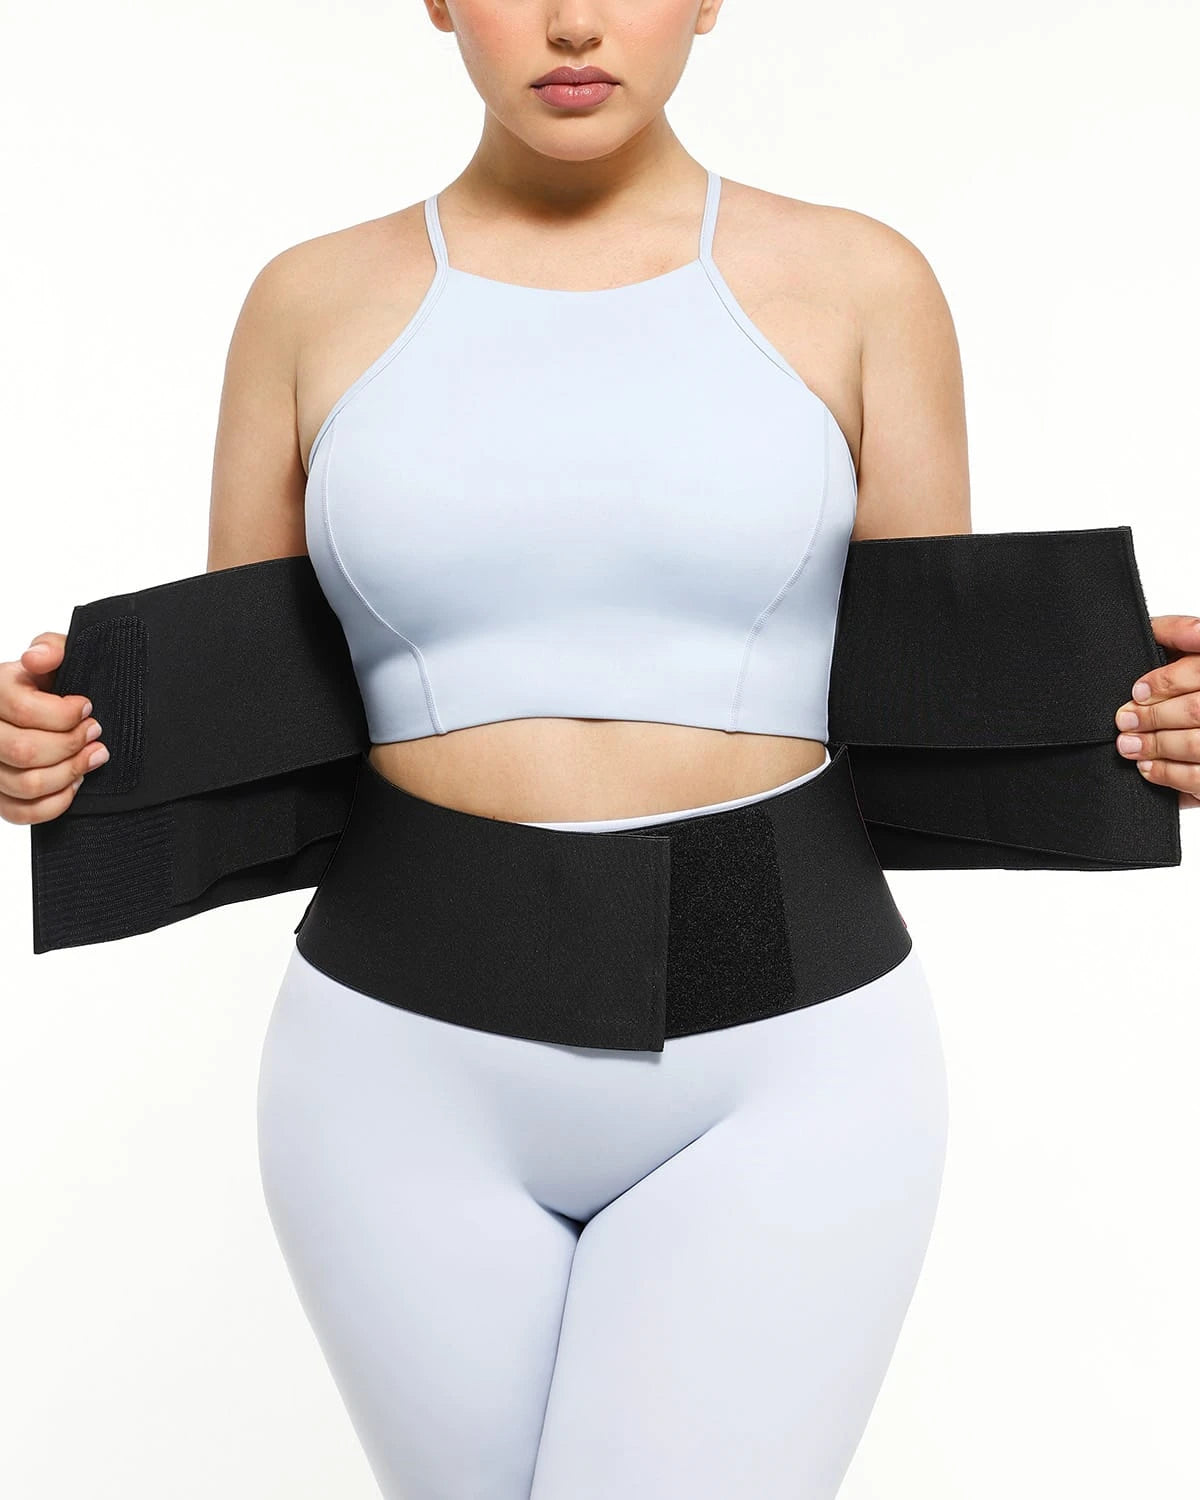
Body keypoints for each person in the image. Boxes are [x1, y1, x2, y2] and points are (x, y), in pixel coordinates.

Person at [5, 3, 1199, 1497]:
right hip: (392, 1080)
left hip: (784, 1064)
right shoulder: (307, 304)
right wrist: (54, 749)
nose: (574, 20)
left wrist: (1149, 719)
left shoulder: (860, 284)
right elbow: (243, 724)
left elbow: (934, 700)